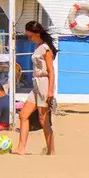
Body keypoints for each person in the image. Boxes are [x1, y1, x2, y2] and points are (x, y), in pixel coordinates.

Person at [15, 20, 57, 155]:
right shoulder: (38, 46)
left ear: (37, 33)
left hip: (44, 84)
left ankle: (51, 150)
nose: (29, 38)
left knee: (43, 119)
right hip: (36, 84)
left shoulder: (46, 48)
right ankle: (21, 148)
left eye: (30, 36)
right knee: (23, 114)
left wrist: (50, 91)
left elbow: (51, 71)